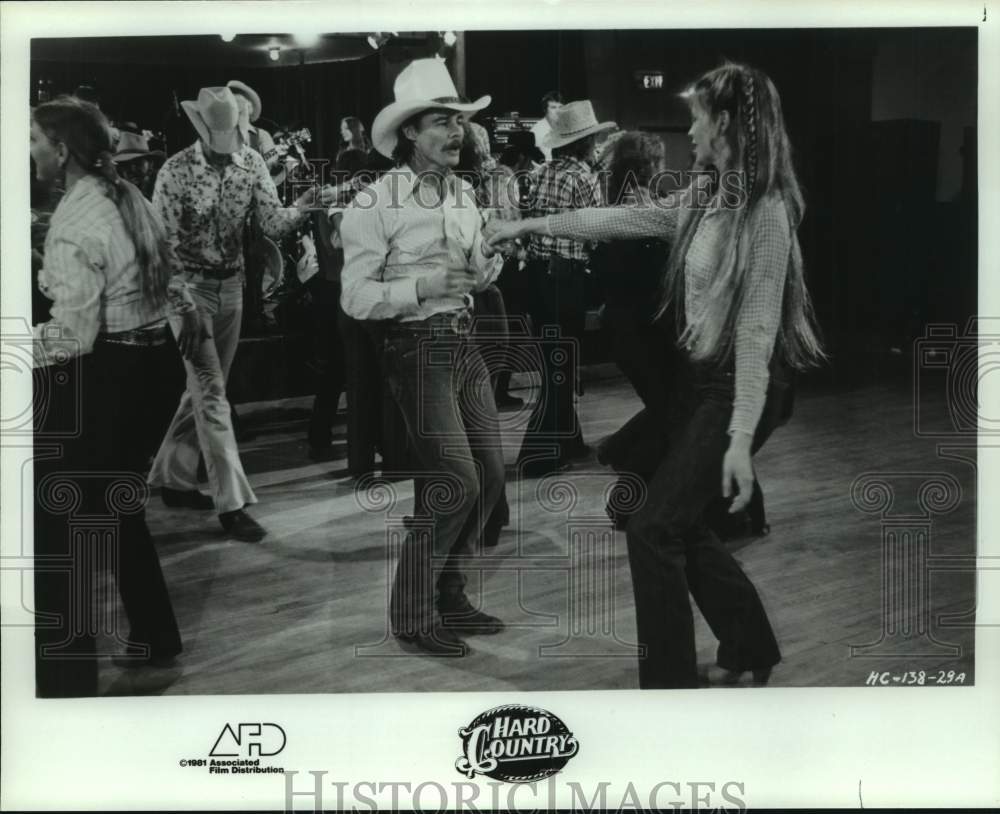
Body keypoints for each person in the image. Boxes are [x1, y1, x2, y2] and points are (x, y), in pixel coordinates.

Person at [487, 62, 825, 688]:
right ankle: (750, 643)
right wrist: (531, 224)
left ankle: (669, 685)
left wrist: (741, 439)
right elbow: (618, 220)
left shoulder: (766, 213)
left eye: (696, 118)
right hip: (697, 382)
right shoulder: (704, 196)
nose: (689, 132)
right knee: (673, 520)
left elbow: (754, 335)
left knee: (652, 528)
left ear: (723, 123)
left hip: (736, 388)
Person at [30, 96, 201, 694]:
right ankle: (156, 633)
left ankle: (66, 678)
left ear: (61, 149)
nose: (28, 151)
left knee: (67, 520)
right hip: (156, 367)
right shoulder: (127, 196)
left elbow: (72, 337)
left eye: (33, 139)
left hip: (113, 374)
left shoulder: (76, 222)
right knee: (116, 506)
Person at [340, 58, 507, 656]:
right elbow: (355, 297)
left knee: (487, 477)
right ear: (410, 132)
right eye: (443, 121)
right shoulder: (373, 201)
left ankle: (449, 593)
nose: (457, 131)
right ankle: (412, 612)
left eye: (459, 120)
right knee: (456, 480)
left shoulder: (463, 194)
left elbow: (482, 272)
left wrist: (487, 257)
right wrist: (421, 289)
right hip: (413, 347)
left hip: (464, 341)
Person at [147, 86, 333, 542]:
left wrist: (307, 204)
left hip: (231, 286)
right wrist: (184, 306)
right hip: (188, 290)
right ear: (201, 128)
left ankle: (171, 476)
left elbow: (272, 224)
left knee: (207, 388)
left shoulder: (250, 163)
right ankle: (232, 504)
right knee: (211, 391)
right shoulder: (175, 171)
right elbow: (161, 249)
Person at [518, 99, 616, 477]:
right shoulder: (584, 176)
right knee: (562, 368)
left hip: (539, 277)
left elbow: (530, 220)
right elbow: (597, 229)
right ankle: (538, 455)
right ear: (586, 142)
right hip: (566, 279)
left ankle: (569, 439)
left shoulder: (542, 172)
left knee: (553, 363)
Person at [529, 90, 563, 162]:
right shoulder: (536, 131)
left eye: (560, 107)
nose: (558, 111)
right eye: (553, 107)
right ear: (545, 110)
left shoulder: (565, 127)